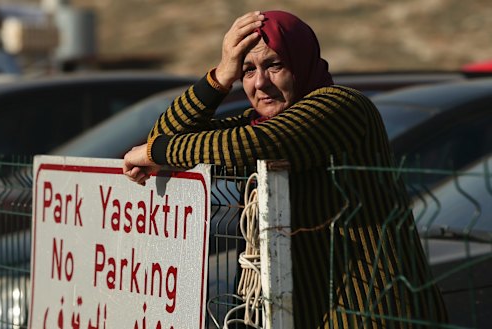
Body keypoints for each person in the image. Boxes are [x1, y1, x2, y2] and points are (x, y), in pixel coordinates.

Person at [123, 10, 448, 328]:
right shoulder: (258, 122)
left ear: (301, 62)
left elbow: (257, 144)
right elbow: (162, 138)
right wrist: (221, 76)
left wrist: (156, 153)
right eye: (247, 70)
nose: (260, 83)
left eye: (274, 65)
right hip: (306, 311)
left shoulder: (341, 106)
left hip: (373, 312)